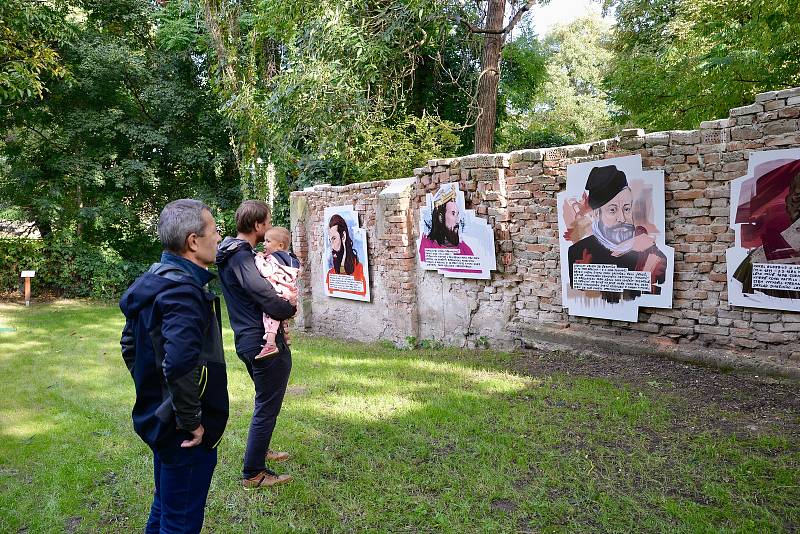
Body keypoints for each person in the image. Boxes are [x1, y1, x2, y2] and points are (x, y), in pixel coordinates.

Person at [119, 199, 228, 533]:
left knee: (166, 506)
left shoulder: (154, 281)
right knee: (179, 523)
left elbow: (129, 347)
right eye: (214, 230)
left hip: (160, 420)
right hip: (183, 433)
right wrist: (191, 420)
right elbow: (180, 363)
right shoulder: (182, 291)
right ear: (193, 242)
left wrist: (155, 390)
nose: (220, 236)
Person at [215, 200, 297, 489]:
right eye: (268, 222)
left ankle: (261, 451)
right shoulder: (240, 256)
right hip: (262, 341)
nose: (270, 226)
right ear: (258, 225)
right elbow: (261, 292)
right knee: (267, 405)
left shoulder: (233, 252)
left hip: (249, 338)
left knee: (265, 401)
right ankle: (254, 472)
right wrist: (288, 309)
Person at [566, 164, 667, 303]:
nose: (622, 218)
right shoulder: (578, 252)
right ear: (596, 213)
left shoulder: (651, 253)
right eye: (612, 210)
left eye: (627, 209)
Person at [255, 227, 300, 359]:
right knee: (281, 318)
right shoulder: (291, 259)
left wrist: (259, 258)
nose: (264, 244)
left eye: (268, 241)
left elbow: (266, 271)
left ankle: (270, 344)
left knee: (270, 315)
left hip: (280, 292)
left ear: (280, 245)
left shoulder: (274, 259)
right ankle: (286, 336)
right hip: (290, 293)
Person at [418, 186, 482, 275]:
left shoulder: (465, 249)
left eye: (457, 214)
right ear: (440, 217)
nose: (458, 220)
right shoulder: (426, 244)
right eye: (453, 214)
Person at [325, 213, 367, 297]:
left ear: (343, 236)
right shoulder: (330, 274)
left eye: (334, 238)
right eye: (330, 240)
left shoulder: (359, 270)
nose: (332, 246)